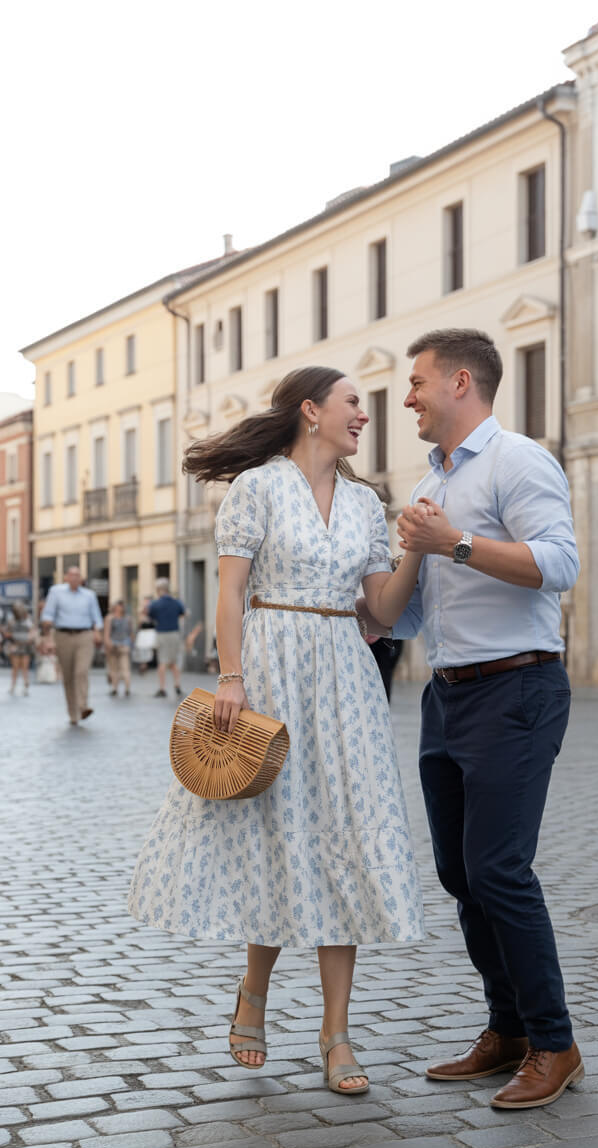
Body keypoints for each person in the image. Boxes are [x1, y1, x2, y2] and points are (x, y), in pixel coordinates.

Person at [128, 366, 425, 1095]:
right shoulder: (257, 487)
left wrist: (417, 546)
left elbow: (380, 611)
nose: (363, 415)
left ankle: (336, 1034)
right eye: (353, 402)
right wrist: (232, 675)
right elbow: (230, 591)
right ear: (311, 410)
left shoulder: (365, 502)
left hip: (346, 675)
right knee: (276, 835)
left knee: (346, 838)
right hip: (270, 666)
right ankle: (254, 991)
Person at [360, 328, 583, 1110]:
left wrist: (453, 543)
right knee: (460, 872)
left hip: (517, 689)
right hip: (448, 695)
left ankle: (555, 1043)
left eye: (417, 383)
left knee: (498, 869)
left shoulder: (518, 460)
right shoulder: (432, 482)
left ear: (460, 382)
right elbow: (409, 619)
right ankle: (509, 1031)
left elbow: (560, 563)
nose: (409, 397)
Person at [41, 566, 104, 725]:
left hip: (84, 635)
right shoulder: (56, 592)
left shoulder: (89, 595)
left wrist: (97, 632)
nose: (75, 578)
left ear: (81, 578)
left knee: (81, 671)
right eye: (72, 575)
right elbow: (48, 615)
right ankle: (73, 713)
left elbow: (96, 617)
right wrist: (48, 638)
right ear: (66, 577)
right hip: (63, 635)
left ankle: (83, 706)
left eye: (77, 575)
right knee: (68, 677)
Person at [147, 579, 185, 698]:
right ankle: (177, 685)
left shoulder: (155, 604)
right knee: (173, 662)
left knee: (162, 661)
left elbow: (150, 616)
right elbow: (183, 613)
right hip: (174, 633)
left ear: (159, 590)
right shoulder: (176, 602)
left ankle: (162, 688)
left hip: (162, 633)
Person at [3, 601, 37, 696]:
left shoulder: (28, 620)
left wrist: (20, 637)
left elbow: (32, 634)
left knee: (24, 668)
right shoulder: (11, 621)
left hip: (25, 646)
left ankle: (25, 686)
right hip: (15, 646)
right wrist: (21, 637)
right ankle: (13, 686)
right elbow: (6, 633)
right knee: (15, 667)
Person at [104, 600, 133, 697]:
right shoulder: (127, 618)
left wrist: (107, 643)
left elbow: (107, 633)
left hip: (116, 644)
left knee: (116, 668)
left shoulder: (110, 618)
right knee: (122, 667)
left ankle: (117, 688)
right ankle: (125, 688)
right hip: (122, 644)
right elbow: (131, 633)